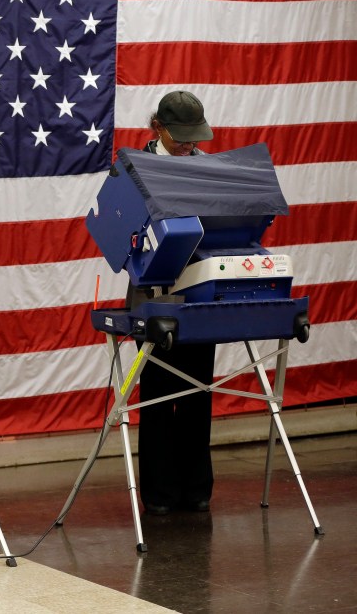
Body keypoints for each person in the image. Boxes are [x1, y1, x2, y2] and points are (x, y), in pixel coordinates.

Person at [135, 90, 217, 515]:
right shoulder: (133, 171)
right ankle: (160, 494)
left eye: (193, 136)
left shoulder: (208, 169)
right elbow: (119, 239)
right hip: (153, 299)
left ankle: (196, 489)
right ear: (159, 128)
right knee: (157, 397)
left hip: (201, 293)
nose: (189, 144)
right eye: (181, 136)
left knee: (199, 391)